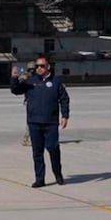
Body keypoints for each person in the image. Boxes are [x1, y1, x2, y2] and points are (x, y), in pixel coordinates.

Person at [11, 55, 69, 187]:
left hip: (51, 122)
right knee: (37, 152)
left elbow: (64, 99)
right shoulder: (30, 81)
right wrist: (14, 78)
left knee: (53, 148)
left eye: (42, 66)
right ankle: (40, 179)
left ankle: (58, 174)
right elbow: (16, 90)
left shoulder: (56, 82)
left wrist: (65, 116)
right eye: (37, 66)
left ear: (48, 67)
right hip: (34, 122)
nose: (39, 68)